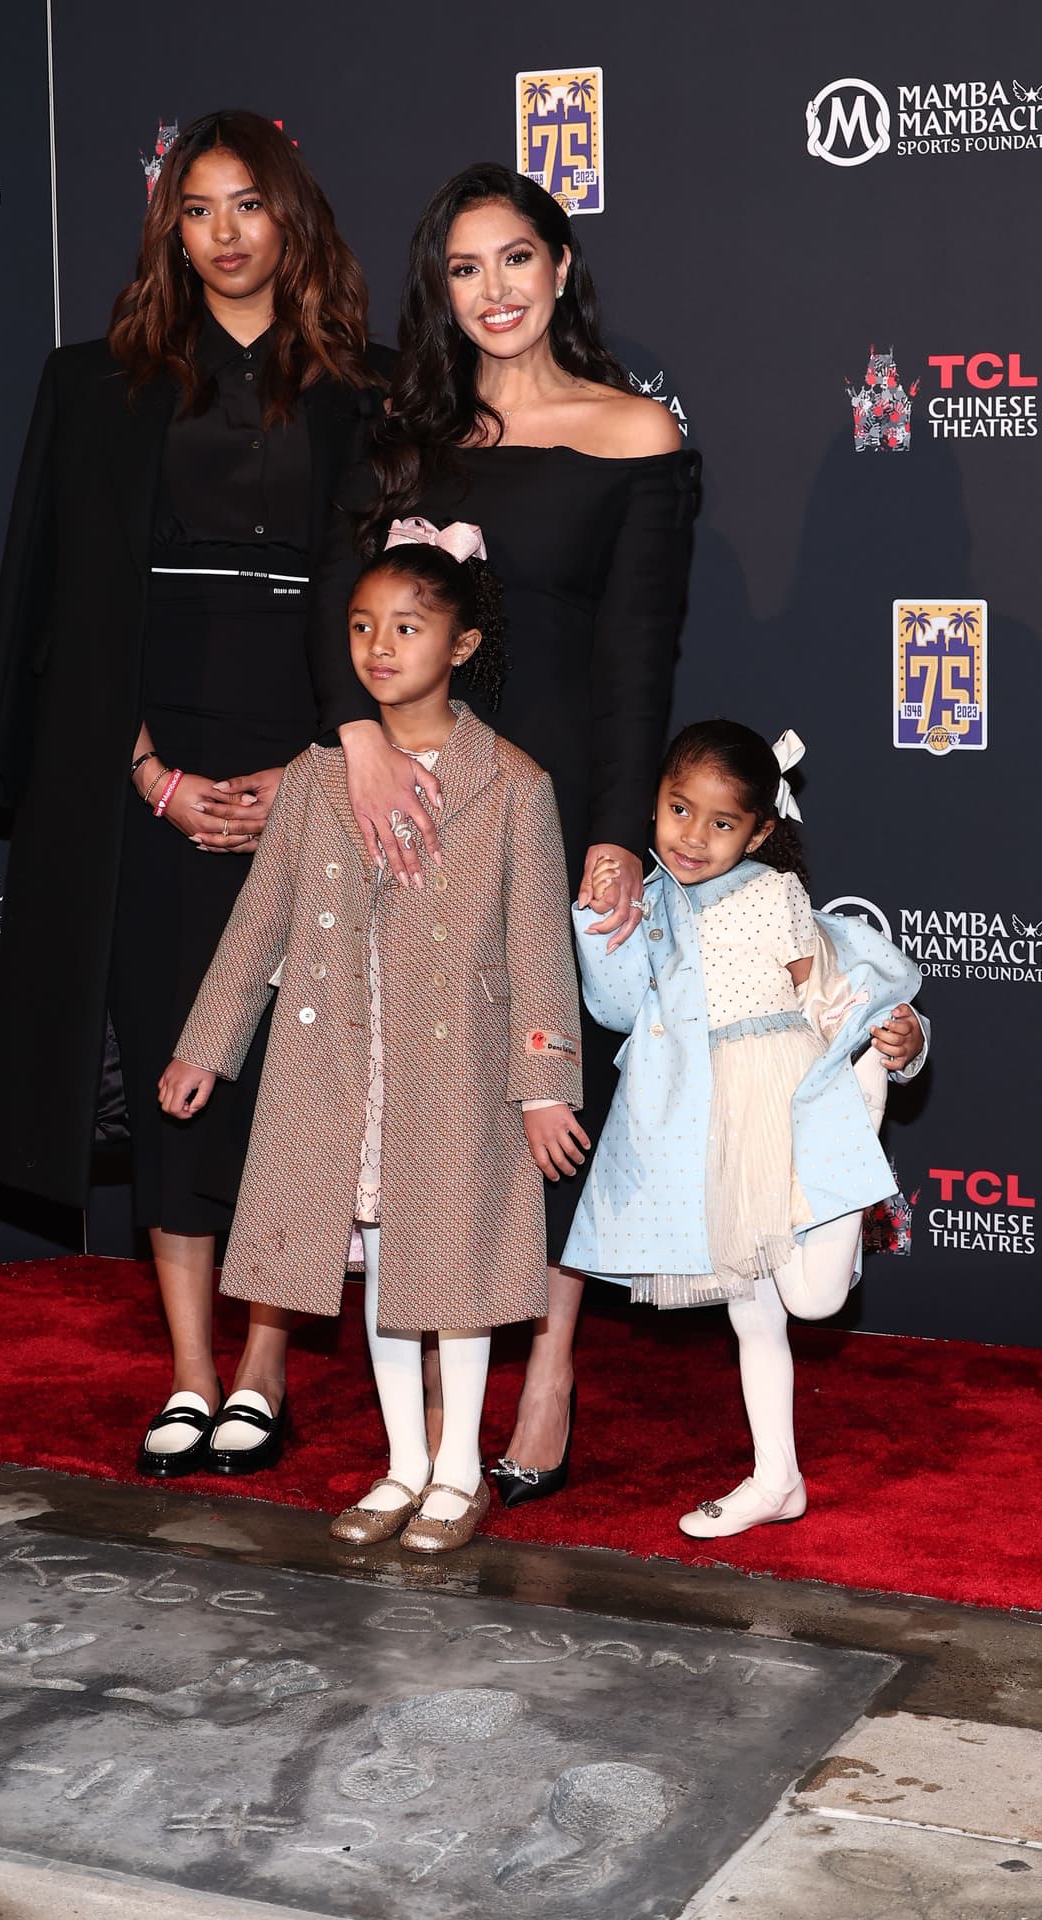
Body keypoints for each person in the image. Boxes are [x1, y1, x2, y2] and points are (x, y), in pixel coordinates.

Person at [0, 111, 391, 1479]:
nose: (223, 231)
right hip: (144, 767)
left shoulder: (365, 394)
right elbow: (56, 609)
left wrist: (322, 768)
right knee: (176, 1078)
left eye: (247, 204)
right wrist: (144, 774)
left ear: (292, 223)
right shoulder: (93, 385)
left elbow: (394, 615)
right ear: (170, 231)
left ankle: (268, 1363)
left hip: (308, 758)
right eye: (197, 207)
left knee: (290, 1076)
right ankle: (194, 1371)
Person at [305, 162, 701, 1503]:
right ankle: (427, 1392)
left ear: (562, 267)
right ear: (441, 290)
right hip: (409, 807)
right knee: (424, 1094)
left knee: (541, 1093)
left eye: (517, 259)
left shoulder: (634, 437)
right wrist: (356, 743)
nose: (495, 291)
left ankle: (548, 1368)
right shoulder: (400, 439)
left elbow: (640, 656)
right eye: (465, 269)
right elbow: (335, 613)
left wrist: (617, 832)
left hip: (549, 797)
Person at [159, 529, 584, 1549]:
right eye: (361, 627)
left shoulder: (514, 783)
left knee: (456, 1275)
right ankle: (398, 1467)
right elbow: (259, 918)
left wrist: (543, 1085)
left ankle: (454, 1471)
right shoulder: (314, 776)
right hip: (343, 1066)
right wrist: (203, 1047)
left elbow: (539, 953)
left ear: (461, 641)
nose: (379, 647)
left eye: (407, 627)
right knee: (388, 1279)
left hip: (458, 1071)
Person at [564, 720, 929, 1538]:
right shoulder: (645, 898)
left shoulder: (774, 893)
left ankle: (852, 1158)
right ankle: (777, 1479)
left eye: (721, 822)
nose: (693, 837)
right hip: (711, 1122)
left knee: (813, 1295)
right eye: (677, 810)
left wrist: (896, 1046)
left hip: (795, 1094)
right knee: (753, 1312)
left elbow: (834, 992)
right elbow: (617, 1010)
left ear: (761, 830)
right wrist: (597, 919)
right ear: (651, 804)